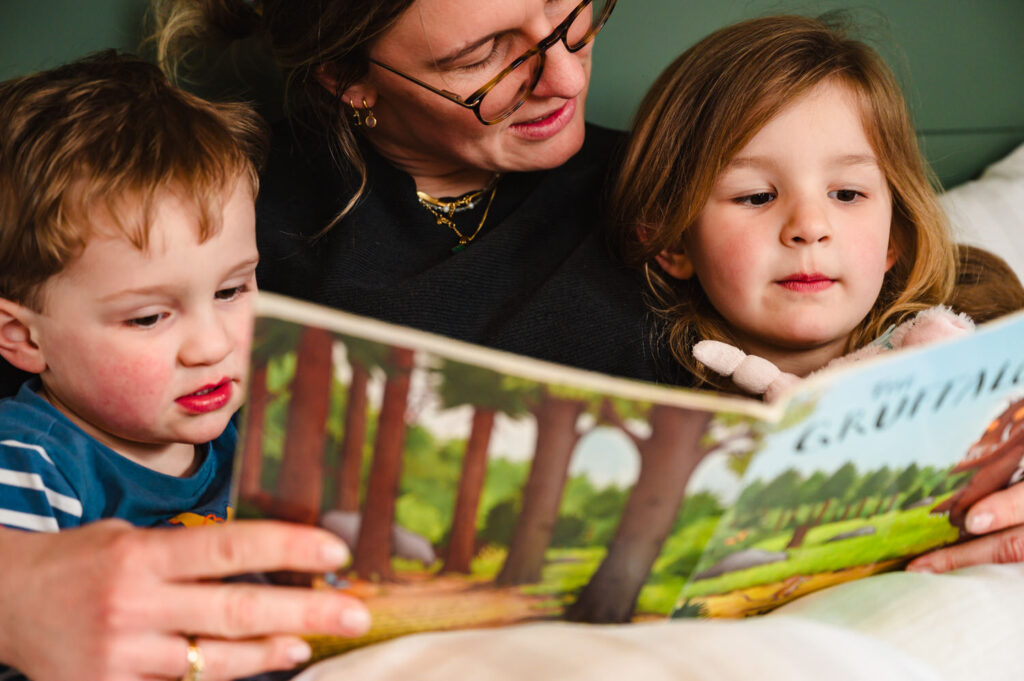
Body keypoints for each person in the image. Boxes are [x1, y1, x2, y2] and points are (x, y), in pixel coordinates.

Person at [0, 53, 370, 681]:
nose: (211, 345)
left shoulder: (259, 435)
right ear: (22, 337)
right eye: (148, 318)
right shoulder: (30, 465)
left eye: (231, 291)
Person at [609, 13, 1024, 570]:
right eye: (756, 196)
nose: (809, 225)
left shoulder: (979, 318)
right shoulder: (668, 408)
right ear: (672, 242)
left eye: (847, 194)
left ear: (892, 239)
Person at [151, 0, 685, 386]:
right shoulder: (232, 218)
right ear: (344, 77)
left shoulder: (676, 186)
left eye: (562, 9)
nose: (566, 79)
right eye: (481, 59)